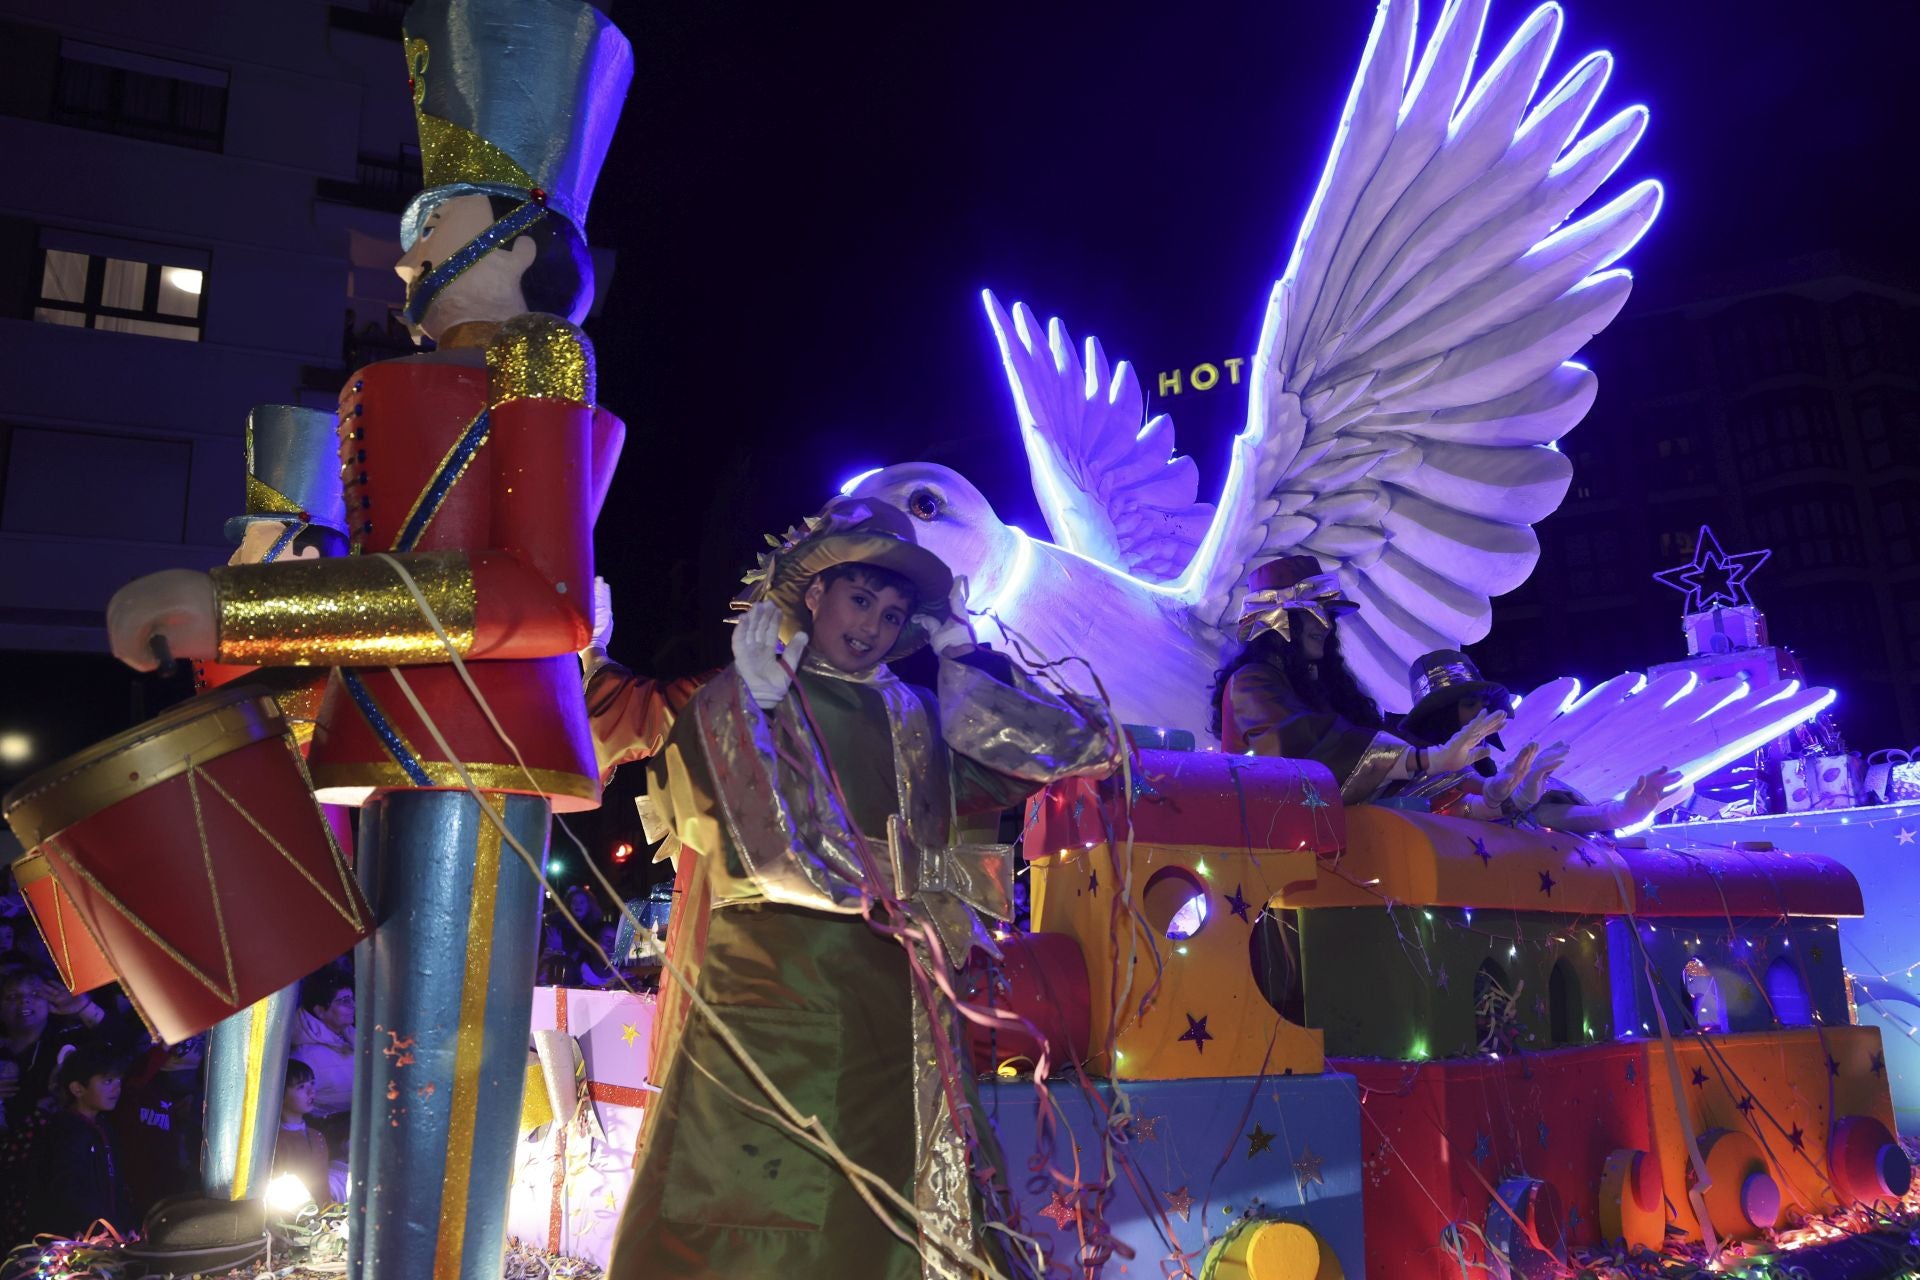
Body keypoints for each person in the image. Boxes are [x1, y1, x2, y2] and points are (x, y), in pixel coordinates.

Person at [100, 5, 635, 1276]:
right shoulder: (407, 382)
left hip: (478, 748)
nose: (403, 263)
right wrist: (261, 635)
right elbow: (403, 579)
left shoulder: (542, 361)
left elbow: (542, 597)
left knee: (433, 1056)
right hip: (388, 743)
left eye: (427, 230)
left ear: (521, 241)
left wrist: (244, 607)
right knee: (399, 1040)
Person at [609, 500, 1116, 1280]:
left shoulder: (915, 715)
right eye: (859, 600)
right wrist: (745, 703)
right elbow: (711, 813)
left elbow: (1070, 751)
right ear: (814, 595)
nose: (872, 625)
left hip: (901, 998)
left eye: (891, 613)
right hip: (781, 983)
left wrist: (970, 667)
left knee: (890, 1199)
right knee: (755, 1197)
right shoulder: (758, 693)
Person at [1212, 556, 1502, 803]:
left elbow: (1371, 744)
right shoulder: (1250, 683)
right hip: (1272, 857)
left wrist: (1486, 794)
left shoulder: (1320, 689)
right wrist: (1422, 759)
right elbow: (1306, 744)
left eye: (1329, 615)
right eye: (1313, 614)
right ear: (1279, 622)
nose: (1325, 626)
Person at [1399, 648, 1683, 832]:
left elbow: (1537, 812)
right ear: (1442, 715)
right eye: (1471, 703)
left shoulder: (1487, 770)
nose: (1483, 711)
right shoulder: (1418, 773)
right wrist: (1513, 797)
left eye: (1486, 703)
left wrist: (1617, 814)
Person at [30, 1038, 132, 1238]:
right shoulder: (65, 1131)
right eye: (107, 1081)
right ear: (77, 1089)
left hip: (104, 1236)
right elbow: (68, 1192)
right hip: (75, 1242)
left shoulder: (103, 1127)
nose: (117, 1088)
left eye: (118, 1080)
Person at [288, 971, 354, 1153]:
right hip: (333, 1135)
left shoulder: (353, 1037)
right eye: (344, 1001)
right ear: (321, 1011)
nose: (352, 1006)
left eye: (352, 999)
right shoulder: (304, 1055)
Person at [271, 1060, 330, 1207]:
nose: (311, 1091)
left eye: (312, 1083)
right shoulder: (275, 1142)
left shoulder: (317, 1136)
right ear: (280, 1094)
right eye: (301, 1087)